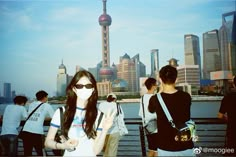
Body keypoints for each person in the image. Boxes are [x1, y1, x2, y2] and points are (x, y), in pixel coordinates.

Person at [44, 70, 116, 156]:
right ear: (74, 89)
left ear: (93, 89)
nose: (84, 89)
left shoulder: (99, 116)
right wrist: (63, 146)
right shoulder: (61, 112)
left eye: (88, 86)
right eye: (79, 86)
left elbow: (96, 151)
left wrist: (105, 130)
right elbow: (48, 142)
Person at [148, 65, 194, 156]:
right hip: (185, 145)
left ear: (160, 80)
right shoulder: (186, 96)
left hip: (165, 147)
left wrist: (160, 91)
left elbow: (150, 110)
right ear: (176, 79)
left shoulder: (155, 99)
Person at [21, 90, 55, 156]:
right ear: (45, 97)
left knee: (27, 153)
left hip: (26, 131)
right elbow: (54, 117)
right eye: (47, 97)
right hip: (37, 132)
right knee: (40, 152)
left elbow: (29, 115)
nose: (47, 98)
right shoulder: (47, 105)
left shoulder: (31, 104)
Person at [98, 93, 123, 157]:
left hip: (103, 132)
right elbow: (121, 117)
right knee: (112, 151)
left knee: (105, 151)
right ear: (115, 99)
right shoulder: (117, 105)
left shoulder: (101, 105)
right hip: (114, 131)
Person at [138, 77, 158, 157]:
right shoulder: (155, 97)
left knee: (151, 149)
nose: (157, 86)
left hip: (146, 126)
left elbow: (140, 113)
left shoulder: (142, 98)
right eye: (156, 84)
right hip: (156, 126)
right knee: (157, 150)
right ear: (153, 86)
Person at [217, 76, 236, 156]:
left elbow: (220, 116)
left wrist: (228, 119)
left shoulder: (228, 97)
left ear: (234, 84)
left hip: (232, 130)